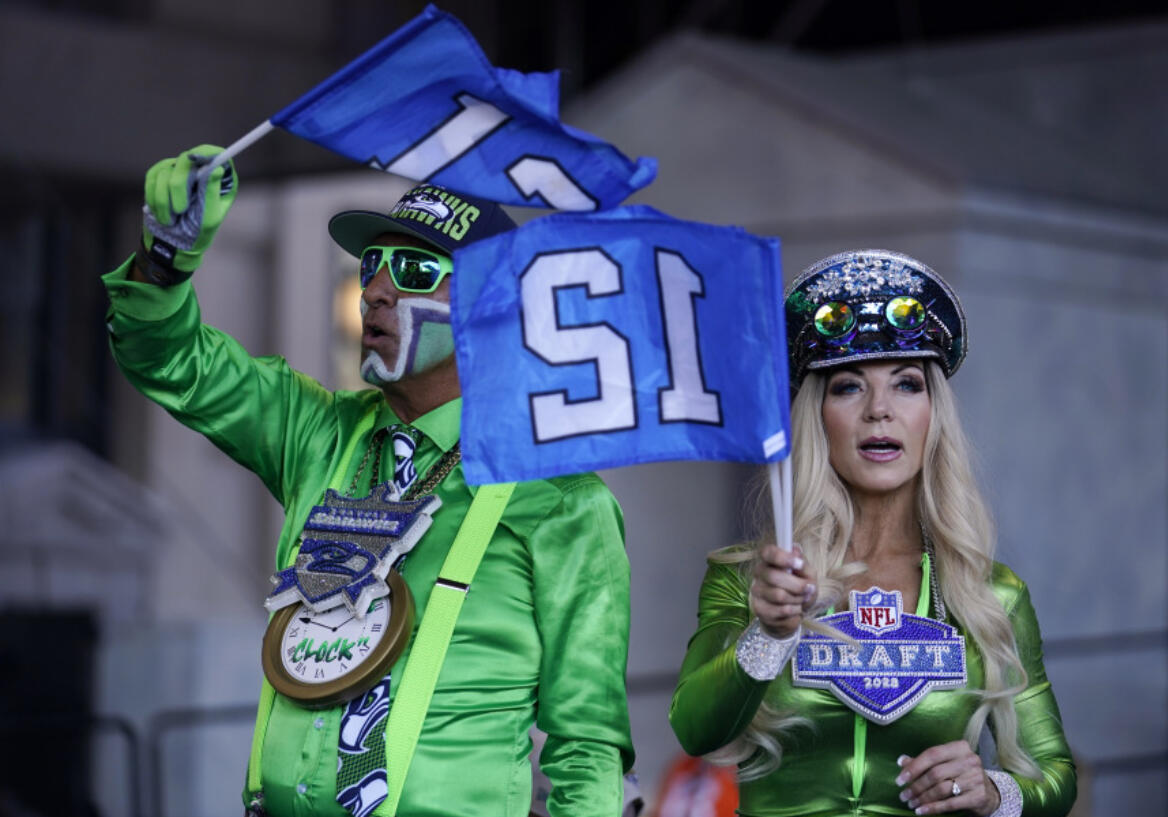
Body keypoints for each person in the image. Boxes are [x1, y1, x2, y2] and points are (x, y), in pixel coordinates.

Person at [103, 146, 633, 817]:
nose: (376, 290)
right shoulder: (317, 433)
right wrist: (165, 264)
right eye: (371, 267)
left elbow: (587, 744)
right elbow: (171, 360)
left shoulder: (563, 503)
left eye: (412, 270)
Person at [669, 250, 1076, 817]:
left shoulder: (991, 593)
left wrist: (991, 792)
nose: (879, 411)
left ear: (934, 414)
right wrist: (769, 633)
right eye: (848, 387)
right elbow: (695, 731)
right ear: (818, 415)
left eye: (906, 385)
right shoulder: (750, 580)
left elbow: (1057, 777)